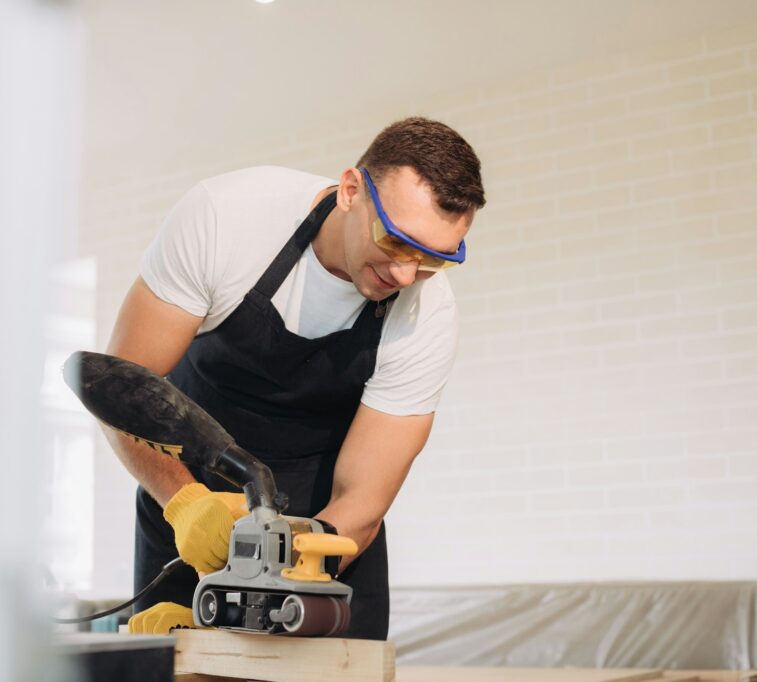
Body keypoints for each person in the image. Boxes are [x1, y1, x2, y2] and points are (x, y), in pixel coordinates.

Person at [105, 117, 485, 640]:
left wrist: (279, 582)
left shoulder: (428, 317)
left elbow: (363, 499)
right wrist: (186, 505)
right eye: (396, 242)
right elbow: (123, 386)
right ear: (351, 190)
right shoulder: (227, 219)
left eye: (435, 258)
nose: (405, 274)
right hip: (187, 502)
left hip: (324, 530)